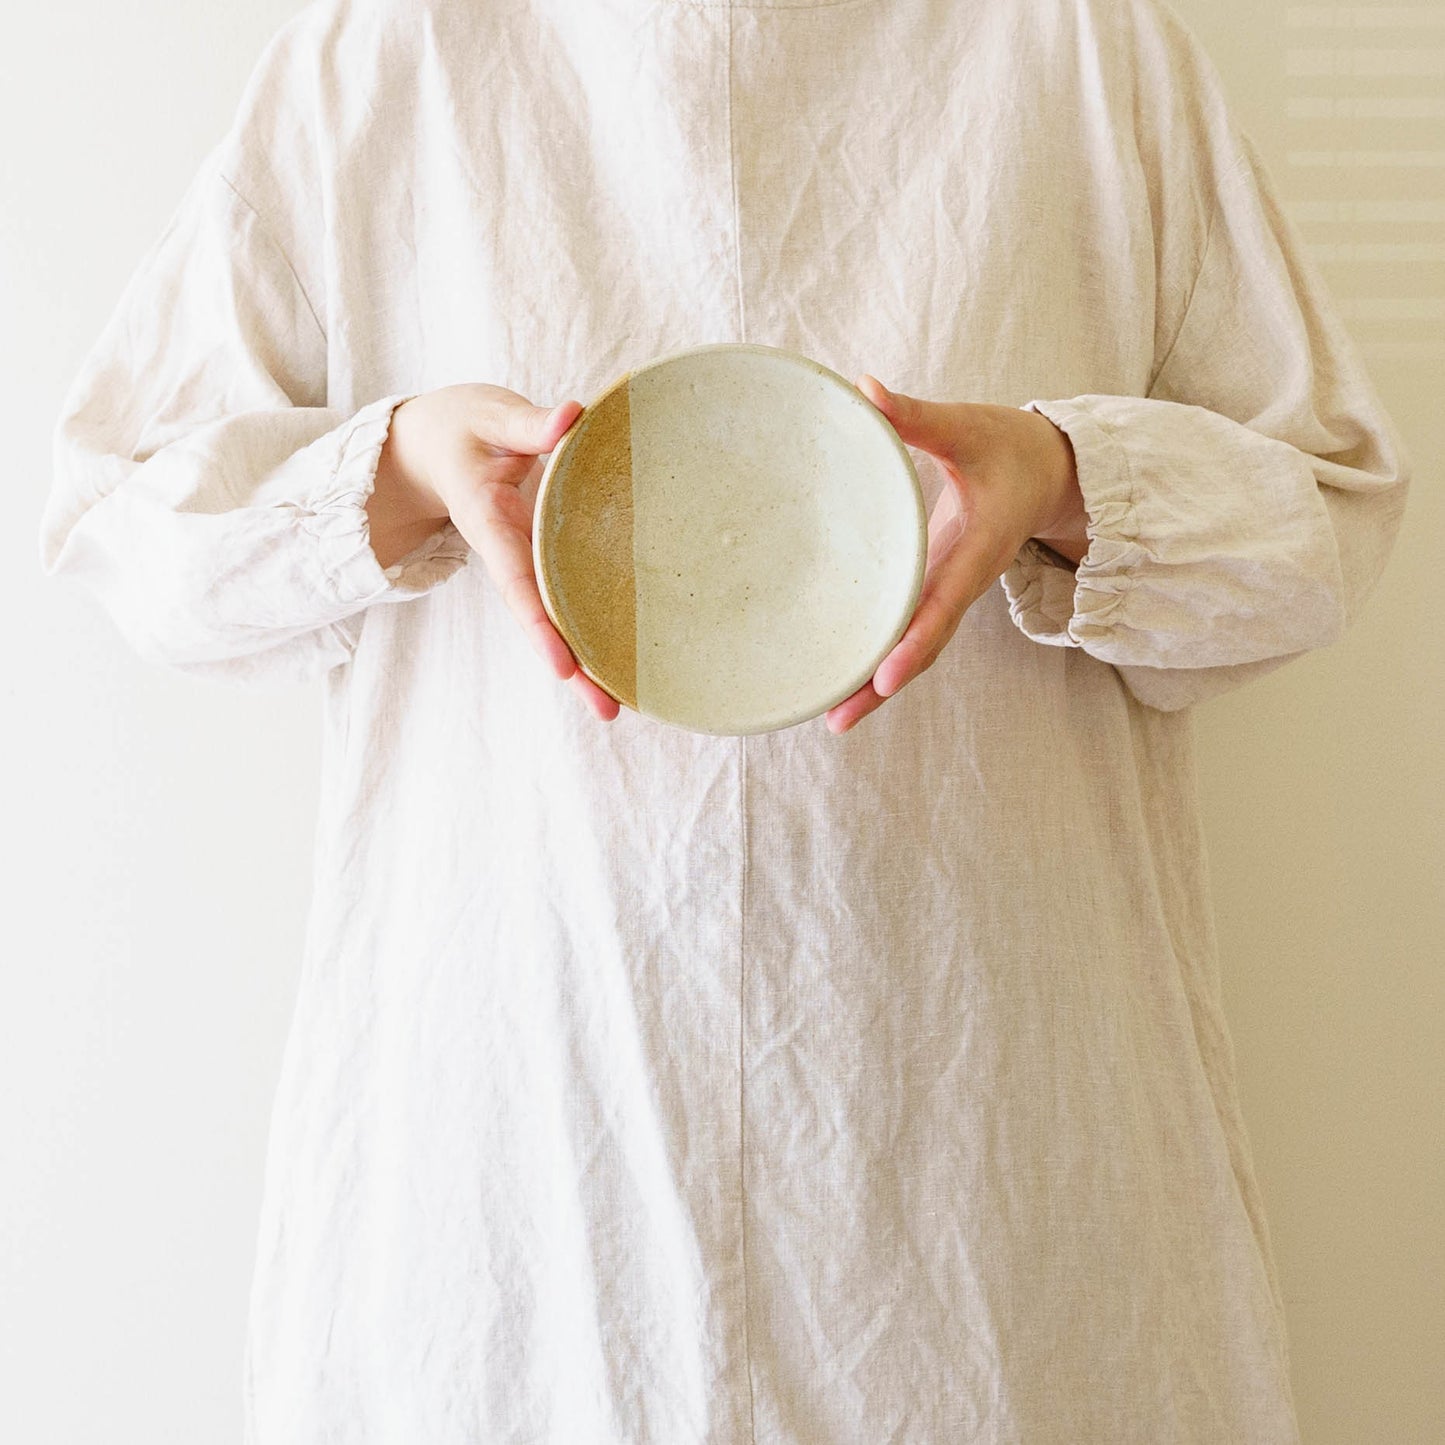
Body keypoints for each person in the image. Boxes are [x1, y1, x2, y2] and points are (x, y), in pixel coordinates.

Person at [39, 0, 1411, 1440]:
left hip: (990, 1185)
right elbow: (124, 525)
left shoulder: (1078, 50)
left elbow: (1325, 516)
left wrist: (1059, 474)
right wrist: (400, 465)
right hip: (518, 1171)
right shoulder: (389, 58)